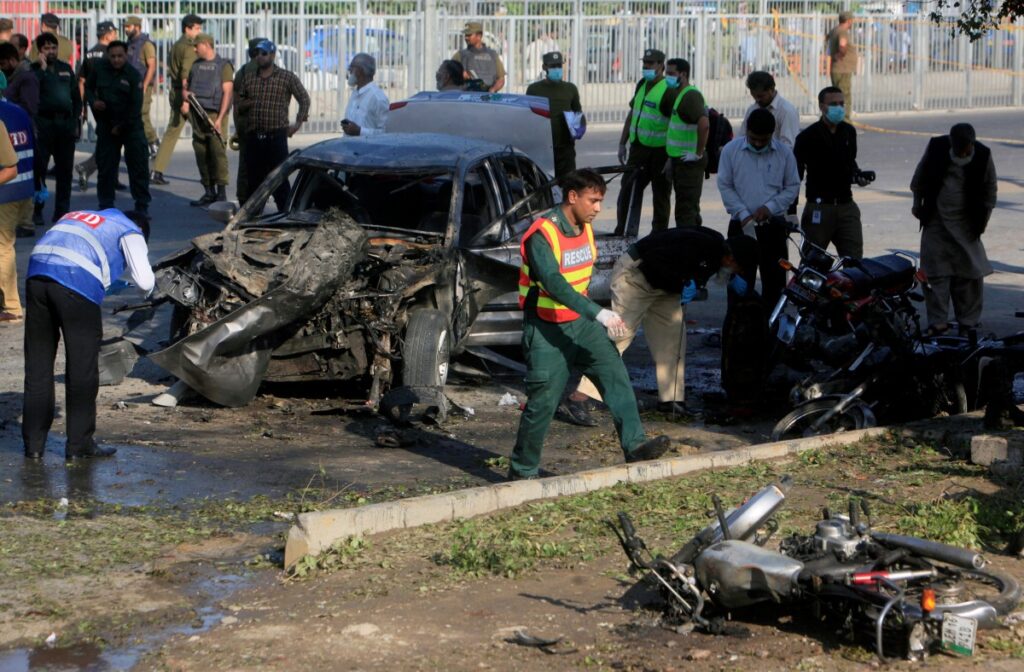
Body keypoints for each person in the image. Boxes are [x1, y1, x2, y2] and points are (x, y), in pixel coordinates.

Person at [508, 169, 671, 480]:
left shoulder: (584, 227)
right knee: (543, 401)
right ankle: (522, 472)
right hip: (546, 329)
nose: (598, 208)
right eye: (593, 201)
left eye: (600, 201)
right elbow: (555, 284)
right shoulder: (541, 235)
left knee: (615, 375)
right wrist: (600, 313)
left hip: (580, 325)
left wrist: (599, 315)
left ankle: (635, 446)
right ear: (572, 197)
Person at [564, 229, 757, 424]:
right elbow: (653, 263)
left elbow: (690, 273)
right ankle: (578, 398)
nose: (736, 273)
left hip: (665, 286)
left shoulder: (716, 255)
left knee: (672, 339)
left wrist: (688, 283)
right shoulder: (698, 246)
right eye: (737, 270)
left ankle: (671, 399)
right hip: (637, 276)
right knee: (620, 336)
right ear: (730, 259)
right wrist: (682, 283)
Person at [22, 208, 153, 460]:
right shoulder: (130, 230)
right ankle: (79, 445)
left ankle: (33, 446)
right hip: (75, 283)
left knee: (38, 367)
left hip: (37, 276)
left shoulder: (81, 216)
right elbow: (145, 281)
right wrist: (149, 293)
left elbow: (75, 250)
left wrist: (108, 284)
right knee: (82, 369)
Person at [911, 123, 997, 335]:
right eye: (960, 148)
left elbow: (989, 192)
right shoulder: (937, 148)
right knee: (935, 275)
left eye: (967, 148)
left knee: (970, 274)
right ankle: (938, 323)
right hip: (936, 223)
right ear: (952, 143)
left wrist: (982, 223)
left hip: (967, 226)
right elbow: (919, 179)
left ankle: (968, 323)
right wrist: (917, 205)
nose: (964, 152)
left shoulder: (983, 155)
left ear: (972, 143)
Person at [718, 108, 800, 311]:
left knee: (774, 283)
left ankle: (770, 330)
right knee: (739, 284)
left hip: (772, 228)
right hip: (741, 226)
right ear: (747, 131)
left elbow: (792, 186)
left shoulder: (784, 153)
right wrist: (743, 213)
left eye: (763, 140)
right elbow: (725, 185)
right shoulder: (731, 150)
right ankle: (738, 329)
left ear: (772, 135)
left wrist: (770, 207)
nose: (757, 144)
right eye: (753, 138)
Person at [235, 39, 310, 212]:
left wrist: (297, 123)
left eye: (264, 53)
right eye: (256, 54)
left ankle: (286, 216)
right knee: (254, 183)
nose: (259, 57)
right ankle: (253, 220)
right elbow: (239, 103)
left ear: (272, 55)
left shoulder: (286, 77)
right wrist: (249, 104)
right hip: (255, 138)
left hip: (276, 137)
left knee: (279, 180)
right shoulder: (249, 78)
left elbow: (304, 99)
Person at [794, 86, 868, 260]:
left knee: (855, 262)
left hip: (846, 205)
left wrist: (858, 176)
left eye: (841, 103)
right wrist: (791, 210)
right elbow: (795, 175)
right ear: (821, 106)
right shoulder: (807, 137)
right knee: (812, 262)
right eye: (833, 104)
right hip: (819, 208)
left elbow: (850, 163)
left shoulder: (848, 132)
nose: (839, 108)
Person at [86, 40, 151, 216]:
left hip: (130, 126)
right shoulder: (100, 69)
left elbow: (135, 107)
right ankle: (106, 205)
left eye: (120, 56)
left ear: (126, 56)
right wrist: (94, 102)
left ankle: (141, 205)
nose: (116, 60)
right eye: (113, 56)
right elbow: (88, 88)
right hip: (107, 125)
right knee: (106, 166)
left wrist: (121, 126)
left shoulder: (133, 75)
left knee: (138, 166)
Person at [615, 48, 671, 236]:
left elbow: (674, 123)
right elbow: (633, 113)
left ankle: (659, 235)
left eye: (650, 63)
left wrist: (671, 156)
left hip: (660, 152)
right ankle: (623, 230)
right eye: (644, 63)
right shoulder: (642, 84)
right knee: (628, 190)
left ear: (661, 66)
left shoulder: (668, 89)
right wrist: (623, 142)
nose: (646, 67)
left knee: (660, 196)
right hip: (638, 150)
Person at [31, 32, 81, 227]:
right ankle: (37, 210)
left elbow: (76, 98)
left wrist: (74, 119)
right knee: (39, 171)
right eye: (46, 48)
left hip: (64, 127)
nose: (51, 51)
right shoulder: (34, 71)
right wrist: (42, 70)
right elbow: (33, 94)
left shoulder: (66, 69)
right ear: (40, 51)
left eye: (54, 47)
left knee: (65, 172)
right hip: (43, 126)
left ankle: (62, 211)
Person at [151, 14, 203, 186]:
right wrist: (187, 99)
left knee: (171, 133)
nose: (199, 31)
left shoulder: (177, 45)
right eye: (197, 28)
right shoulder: (188, 48)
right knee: (203, 135)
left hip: (176, 91)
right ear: (187, 28)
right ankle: (209, 178)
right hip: (186, 94)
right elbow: (185, 75)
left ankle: (156, 170)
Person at [184, 33, 232, 206]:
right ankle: (208, 191)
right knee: (201, 153)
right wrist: (185, 97)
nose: (195, 49)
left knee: (217, 153)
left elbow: (228, 92)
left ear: (206, 44)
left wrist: (220, 119)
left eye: (197, 46)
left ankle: (221, 193)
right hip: (197, 114)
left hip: (214, 115)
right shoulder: (196, 66)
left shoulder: (223, 66)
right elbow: (188, 87)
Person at [659, 57, 707, 228]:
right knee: (686, 209)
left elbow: (704, 124)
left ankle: (690, 247)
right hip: (680, 160)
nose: (667, 77)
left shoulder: (690, 96)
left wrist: (698, 153)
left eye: (671, 74)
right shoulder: (680, 95)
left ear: (683, 74)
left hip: (689, 163)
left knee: (686, 211)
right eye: (667, 73)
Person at [525, 51, 584, 179]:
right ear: (544, 68)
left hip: (565, 149)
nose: (557, 69)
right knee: (543, 184)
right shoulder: (534, 89)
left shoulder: (570, 89)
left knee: (568, 184)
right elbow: (528, 117)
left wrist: (577, 130)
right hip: (543, 148)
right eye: (553, 66)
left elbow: (578, 114)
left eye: (559, 66)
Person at [74, 20, 117, 193]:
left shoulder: (90, 53)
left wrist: (83, 105)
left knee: (109, 140)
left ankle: (112, 178)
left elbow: (82, 81)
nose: (115, 35)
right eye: (114, 32)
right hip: (108, 103)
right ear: (107, 34)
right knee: (110, 141)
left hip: (94, 102)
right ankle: (88, 167)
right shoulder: (111, 54)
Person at [0, 98, 33, 320]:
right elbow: (36, 148)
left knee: (3, 248)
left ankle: (11, 307)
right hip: (24, 188)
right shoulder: (20, 111)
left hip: (7, 193)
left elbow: (9, 168)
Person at [232, 37, 265, 204]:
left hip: (247, 125)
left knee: (245, 165)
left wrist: (238, 128)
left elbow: (236, 104)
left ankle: (244, 200)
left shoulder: (243, 72)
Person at [124, 16, 158, 156]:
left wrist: (144, 86)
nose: (126, 30)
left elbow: (151, 66)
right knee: (134, 115)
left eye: (128, 27)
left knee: (142, 113)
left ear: (137, 27)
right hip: (130, 84)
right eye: (125, 27)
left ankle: (153, 142)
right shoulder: (129, 43)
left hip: (142, 85)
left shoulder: (146, 45)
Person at [739, 71, 799, 147]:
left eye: (760, 96)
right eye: (753, 96)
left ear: (771, 89)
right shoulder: (752, 109)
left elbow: (788, 145)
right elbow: (741, 138)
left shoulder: (787, 111)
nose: (757, 100)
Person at [341, 53, 388, 137]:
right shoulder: (356, 92)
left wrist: (360, 131)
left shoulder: (378, 98)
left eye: (351, 69)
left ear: (360, 71)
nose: (350, 72)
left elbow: (386, 133)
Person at [453, 22, 505, 93]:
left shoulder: (493, 55)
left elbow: (501, 79)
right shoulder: (459, 55)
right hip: (466, 98)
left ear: (479, 36)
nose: (466, 38)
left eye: (469, 35)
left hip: (487, 99)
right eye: (465, 35)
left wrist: (492, 90)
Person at [827, 11, 858, 116]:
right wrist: (839, 54)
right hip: (843, 69)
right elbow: (842, 46)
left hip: (836, 69)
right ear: (848, 21)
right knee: (844, 96)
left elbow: (827, 39)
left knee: (836, 95)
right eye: (851, 21)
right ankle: (845, 121)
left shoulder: (834, 30)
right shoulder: (842, 32)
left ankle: (836, 121)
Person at [1, 40, 37, 118]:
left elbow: (28, 108)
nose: (1, 68)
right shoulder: (10, 77)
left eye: (3, 64)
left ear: (12, 60)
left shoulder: (27, 77)